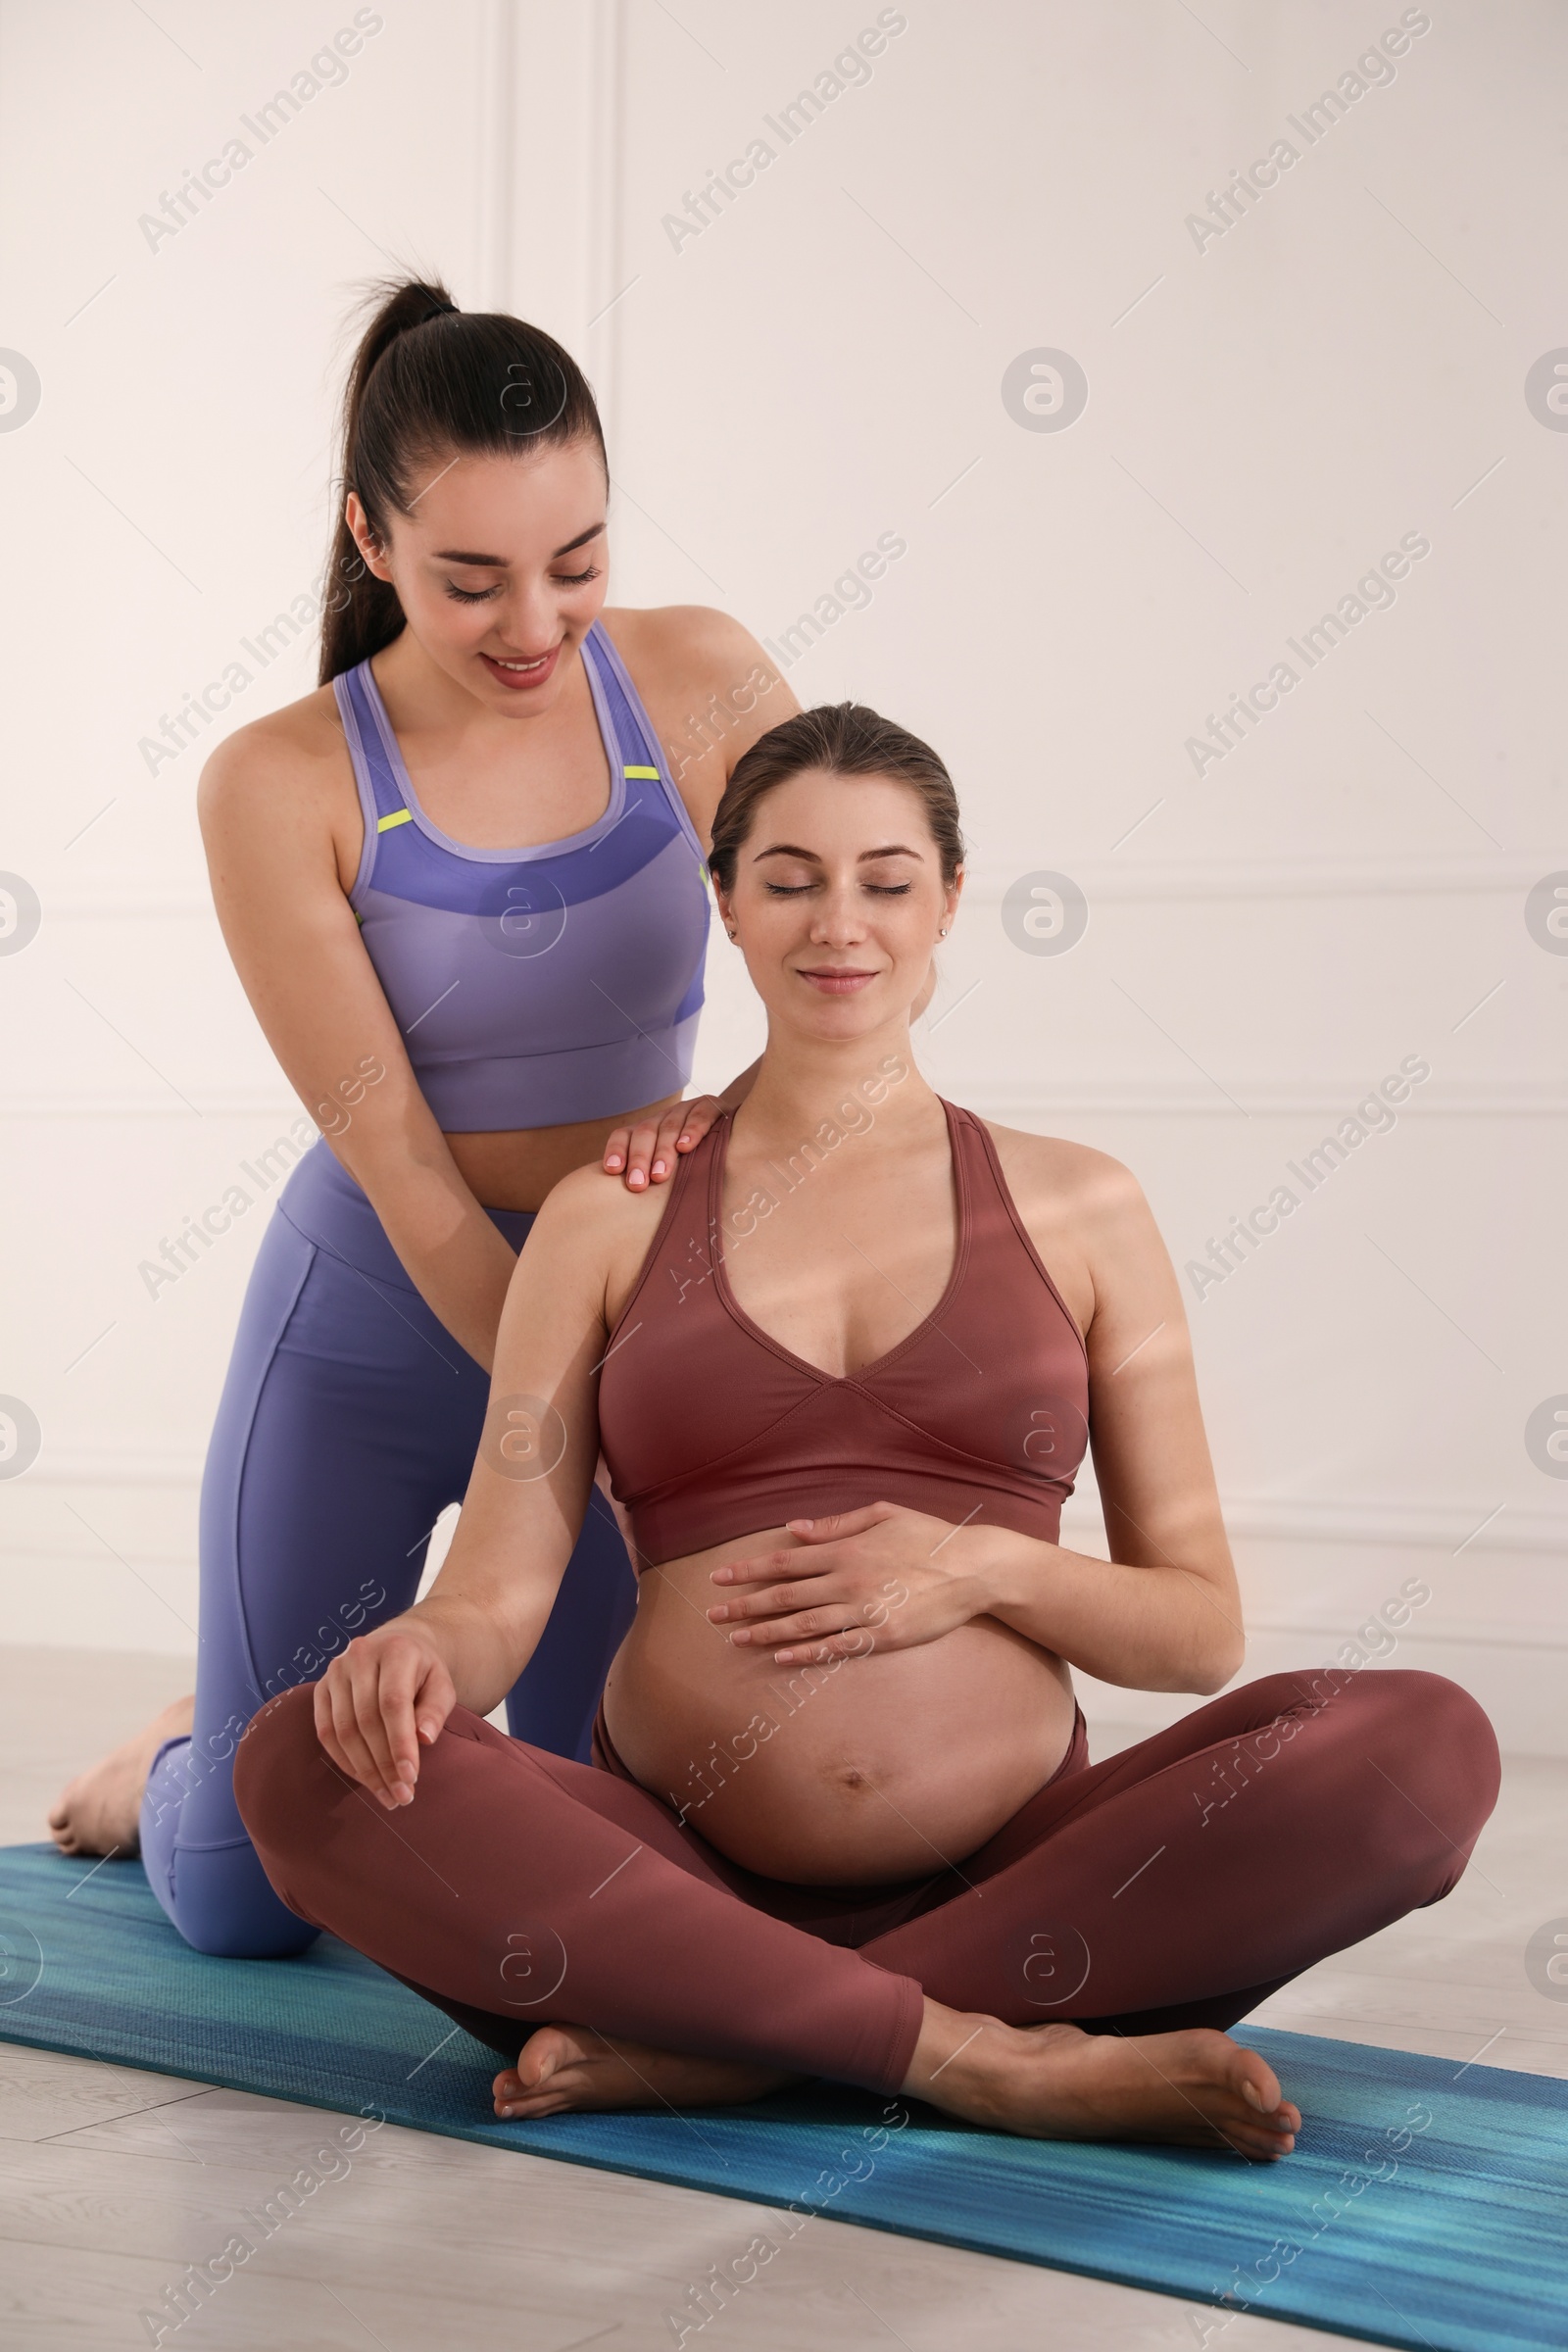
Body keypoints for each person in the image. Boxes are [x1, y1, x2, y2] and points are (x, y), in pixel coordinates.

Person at [234, 703, 1499, 2154]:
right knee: (299, 1760)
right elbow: (501, 1591)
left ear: (952, 900)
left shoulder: (1084, 1206)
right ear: (725, 902)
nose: (842, 924)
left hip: (1026, 1881)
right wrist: (420, 1651)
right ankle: (984, 2057)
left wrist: (983, 1572)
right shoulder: (609, 1213)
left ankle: (747, 2039)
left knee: (1429, 1748)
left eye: (887, 881)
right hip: (671, 1878)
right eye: (789, 879)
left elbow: (1198, 1631)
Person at [47, 275, 801, 1957]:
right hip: (383, 1307)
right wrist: (569, 1410)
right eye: (473, 579)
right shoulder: (281, 781)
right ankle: (180, 1748)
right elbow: (401, 1165)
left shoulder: (693, 678)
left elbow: (841, 981)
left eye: (578, 561)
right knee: (253, 1901)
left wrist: (707, 1206)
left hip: (625, 1295)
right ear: (369, 542)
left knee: (609, 1844)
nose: (538, 622)